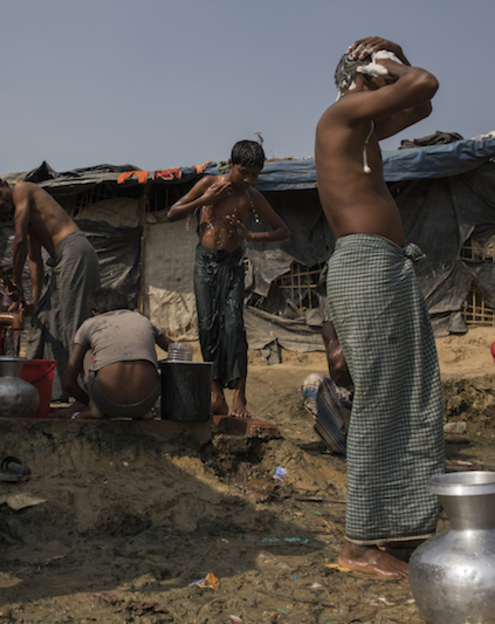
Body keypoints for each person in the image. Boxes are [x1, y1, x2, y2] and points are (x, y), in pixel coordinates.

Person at [314, 37, 444, 579]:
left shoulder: (366, 127)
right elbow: (423, 84)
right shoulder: (341, 114)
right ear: (361, 75)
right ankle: (359, 546)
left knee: (410, 394)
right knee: (380, 398)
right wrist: (388, 62)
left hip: (386, 265)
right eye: (379, 71)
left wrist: (394, 65)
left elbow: (421, 105)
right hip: (365, 266)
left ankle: (402, 526)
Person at [166, 140, 289, 418]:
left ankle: (240, 398)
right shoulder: (209, 184)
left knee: (233, 326)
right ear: (230, 164)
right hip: (204, 261)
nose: (247, 180)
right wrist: (204, 201)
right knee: (208, 325)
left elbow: (283, 231)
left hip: (232, 264)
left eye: (254, 175)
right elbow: (172, 213)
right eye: (243, 172)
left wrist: (250, 237)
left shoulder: (252, 197)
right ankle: (216, 394)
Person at [0, 171, 101, 401]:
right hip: (61, 261)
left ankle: (90, 397)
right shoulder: (28, 215)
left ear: (5, 184)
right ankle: (60, 392)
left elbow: (20, 240)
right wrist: (33, 298)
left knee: (75, 325)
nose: (0, 203)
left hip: (74, 252)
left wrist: (13, 283)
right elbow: (34, 259)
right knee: (47, 316)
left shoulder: (23, 189)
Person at [54, 287, 173, 419]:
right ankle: (146, 411)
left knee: (89, 354)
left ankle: (95, 408)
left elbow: (68, 383)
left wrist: (90, 402)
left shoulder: (89, 324)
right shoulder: (142, 320)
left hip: (106, 402)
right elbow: (177, 349)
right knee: (155, 360)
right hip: (146, 401)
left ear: (94, 312)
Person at [301, 321, 353, 455]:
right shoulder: (331, 328)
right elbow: (339, 364)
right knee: (313, 382)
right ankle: (340, 444)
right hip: (349, 410)